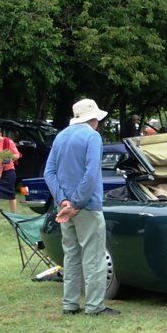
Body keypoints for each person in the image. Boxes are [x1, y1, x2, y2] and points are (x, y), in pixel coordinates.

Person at [45, 98, 119, 316]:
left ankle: (70, 303)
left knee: (71, 256)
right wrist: (76, 203)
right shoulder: (92, 136)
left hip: (65, 206)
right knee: (93, 255)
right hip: (86, 205)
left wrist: (63, 200)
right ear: (93, 118)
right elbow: (91, 173)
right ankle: (95, 306)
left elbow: (49, 172)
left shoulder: (61, 136)